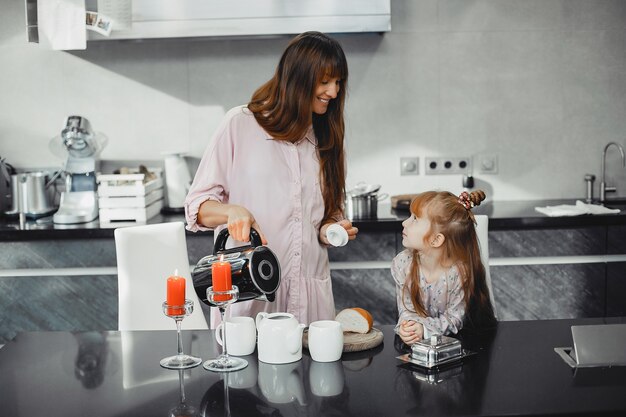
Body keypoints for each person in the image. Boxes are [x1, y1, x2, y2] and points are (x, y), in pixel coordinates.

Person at [185, 31, 358, 327]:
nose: (334, 92)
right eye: (325, 81)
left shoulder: (327, 137)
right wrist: (231, 211)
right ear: (298, 78)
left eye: (338, 82)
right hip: (249, 290)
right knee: (244, 371)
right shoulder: (240, 124)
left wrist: (332, 227)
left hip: (310, 298)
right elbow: (196, 207)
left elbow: (327, 213)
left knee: (313, 372)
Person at [392, 190, 496, 345]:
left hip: (464, 344)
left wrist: (425, 330)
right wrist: (408, 327)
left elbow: (454, 319)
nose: (404, 223)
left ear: (436, 240)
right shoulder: (403, 264)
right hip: (420, 349)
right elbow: (407, 309)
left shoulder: (460, 273)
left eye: (414, 219)